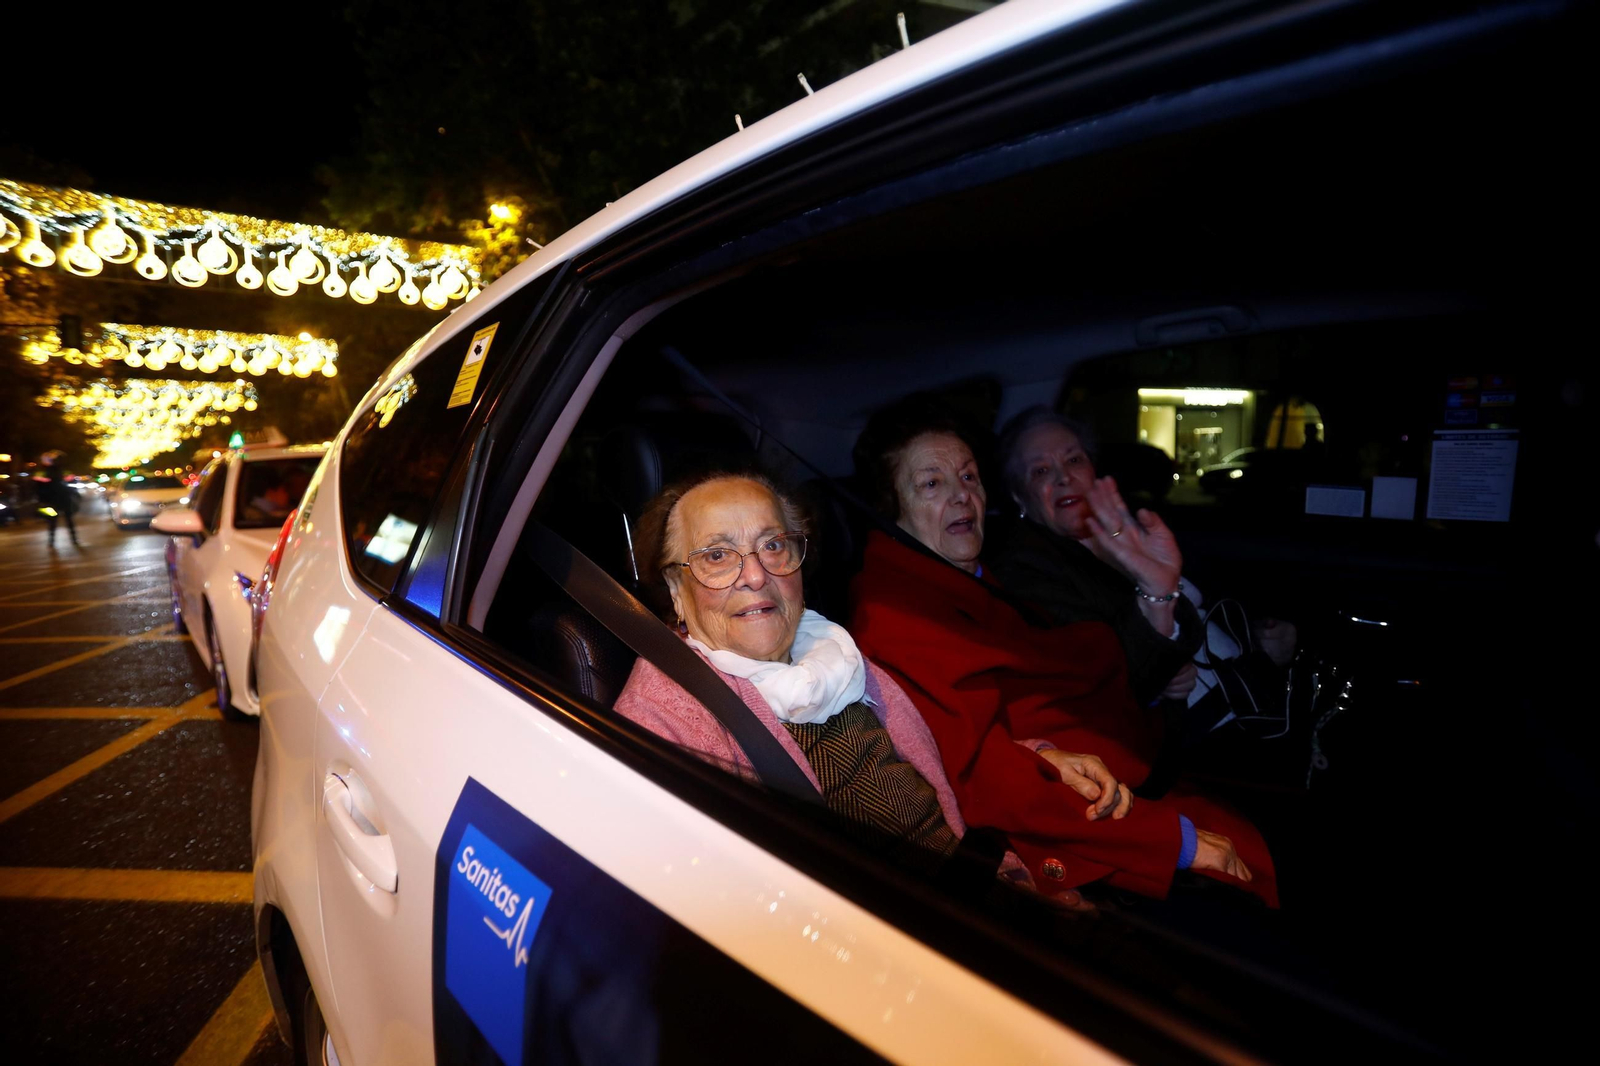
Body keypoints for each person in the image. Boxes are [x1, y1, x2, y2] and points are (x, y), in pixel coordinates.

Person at [613, 471, 1125, 908]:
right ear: (677, 591)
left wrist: (1040, 757)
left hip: (976, 891)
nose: (756, 574)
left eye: (772, 545)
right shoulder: (666, 710)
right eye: (718, 556)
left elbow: (945, 757)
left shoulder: (833, 653)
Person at [848, 399, 1276, 906]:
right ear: (891, 507)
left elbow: (1066, 666)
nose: (962, 497)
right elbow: (985, 776)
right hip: (1084, 828)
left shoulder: (971, 579)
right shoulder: (902, 613)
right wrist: (1173, 841)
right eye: (932, 484)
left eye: (968, 477)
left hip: (1136, 765)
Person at [993, 407, 1296, 726]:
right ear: (1020, 496)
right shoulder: (1025, 570)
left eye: (1074, 460)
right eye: (1040, 471)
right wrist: (1159, 669)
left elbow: (1212, 597)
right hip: (1204, 731)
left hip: (1254, 689)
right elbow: (1101, 671)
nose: (1064, 477)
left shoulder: (1136, 524)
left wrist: (1264, 637)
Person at [31, 450, 80, 548]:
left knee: (57, 520)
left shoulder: (50, 471)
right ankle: (63, 539)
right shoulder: (47, 472)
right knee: (61, 519)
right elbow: (38, 486)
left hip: (57, 499)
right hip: (56, 499)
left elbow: (72, 482)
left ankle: (56, 540)